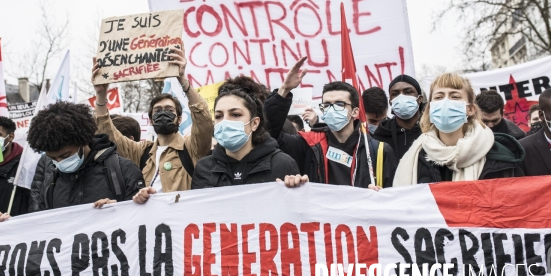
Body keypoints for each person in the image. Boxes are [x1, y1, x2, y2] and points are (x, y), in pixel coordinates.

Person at [133, 79, 300, 201]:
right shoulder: (205, 168)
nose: (225, 121)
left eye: (235, 115)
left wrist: (298, 190)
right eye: (219, 116)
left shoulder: (282, 164)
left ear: (254, 123)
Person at [0, 102, 145, 222]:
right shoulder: (51, 181)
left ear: (83, 141)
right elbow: (43, 226)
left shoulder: (122, 170)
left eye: (65, 155)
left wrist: (120, 210)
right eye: (53, 158)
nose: (59, 163)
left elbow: (143, 220)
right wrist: (10, 227)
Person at [93, 42, 213, 193]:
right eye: (157, 110)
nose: (163, 113)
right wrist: (101, 94)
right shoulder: (142, 152)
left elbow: (204, 122)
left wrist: (182, 80)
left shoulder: (191, 148)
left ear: (180, 119)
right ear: (151, 120)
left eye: (169, 110)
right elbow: (108, 133)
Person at [263, 57, 398, 189]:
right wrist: (284, 90)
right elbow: (270, 133)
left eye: (340, 104)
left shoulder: (378, 151)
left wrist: (379, 196)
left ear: (355, 112)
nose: (332, 109)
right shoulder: (308, 144)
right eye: (327, 105)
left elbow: (392, 198)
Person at [394, 73, 524, 186]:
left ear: (471, 109)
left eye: (455, 96)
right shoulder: (414, 159)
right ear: (430, 108)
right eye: (439, 97)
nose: (446, 102)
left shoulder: (500, 158)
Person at [372, 75, 423, 160]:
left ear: (420, 99)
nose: (401, 97)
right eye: (395, 94)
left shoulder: (433, 130)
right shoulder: (381, 137)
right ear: (390, 102)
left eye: (408, 92)